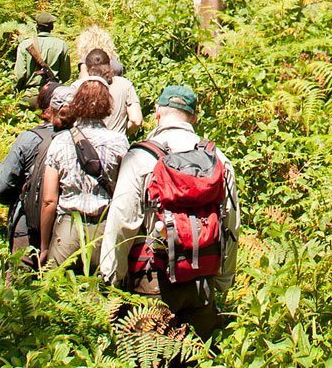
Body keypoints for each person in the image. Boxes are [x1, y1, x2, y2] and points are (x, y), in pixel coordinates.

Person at [99, 85, 238, 342]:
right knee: (196, 361)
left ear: (157, 113)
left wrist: (111, 278)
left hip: (152, 279)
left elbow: (122, 221)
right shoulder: (218, 158)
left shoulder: (140, 157)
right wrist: (223, 281)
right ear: (194, 117)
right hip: (202, 281)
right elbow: (230, 225)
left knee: (151, 362)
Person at [39, 78, 129, 273]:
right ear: (107, 105)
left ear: (76, 103)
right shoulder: (119, 142)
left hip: (68, 228)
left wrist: (44, 246)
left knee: (59, 287)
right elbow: (126, 191)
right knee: (102, 288)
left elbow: (48, 200)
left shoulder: (60, 141)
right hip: (104, 228)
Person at [0, 81, 62, 263]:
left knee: (20, 279)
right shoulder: (79, 140)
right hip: (65, 230)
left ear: (44, 108)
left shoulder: (30, 138)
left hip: (27, 224)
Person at [84, 47, 143, 137]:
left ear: (87, 69)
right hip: (117, 142)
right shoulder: (124, 85)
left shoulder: (80, 87)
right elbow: (136, 120)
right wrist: (122, 133)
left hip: (88, 143)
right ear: (109, 65)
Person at [12, 11, 71, 91]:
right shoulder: (61, 45)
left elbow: (20, 75)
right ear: (52, 27)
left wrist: (16, 91)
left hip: (31, 93)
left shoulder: (25, 44)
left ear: (37, 27)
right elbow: (65, 76)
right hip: (52, 93)